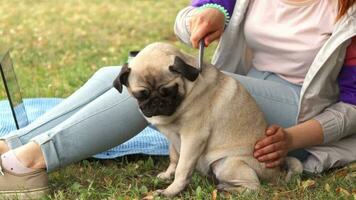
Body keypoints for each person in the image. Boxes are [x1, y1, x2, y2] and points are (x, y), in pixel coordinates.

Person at [0, 0, 355, 198]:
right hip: (244, 85)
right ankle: (13, 144)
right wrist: (212, 12)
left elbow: (353, 107)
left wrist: (293, 139)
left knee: (148, 97)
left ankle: (28, 164)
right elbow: (189, 18)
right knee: (125, 71)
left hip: (299, 108)